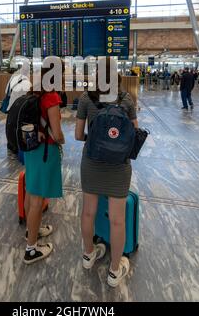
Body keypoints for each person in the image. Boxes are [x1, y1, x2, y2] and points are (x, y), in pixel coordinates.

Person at [75, 67, 138, 288]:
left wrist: (96, 142)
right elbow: (134, 134)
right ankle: (114, 271)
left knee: (88, 212)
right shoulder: (127, 100)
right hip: (119, 167)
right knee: (117, 219)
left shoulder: (85, 98)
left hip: (91, 163)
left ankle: (88, 255)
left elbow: (77, 134)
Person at [24, 67, 65, 265]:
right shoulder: (51, 97)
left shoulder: (33, 91)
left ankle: (31, 230)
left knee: (30, 192)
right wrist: (62, 140)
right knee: (37, 201)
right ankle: (31, 250)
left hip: (31, 149)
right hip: (45, 152)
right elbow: (57, 134)